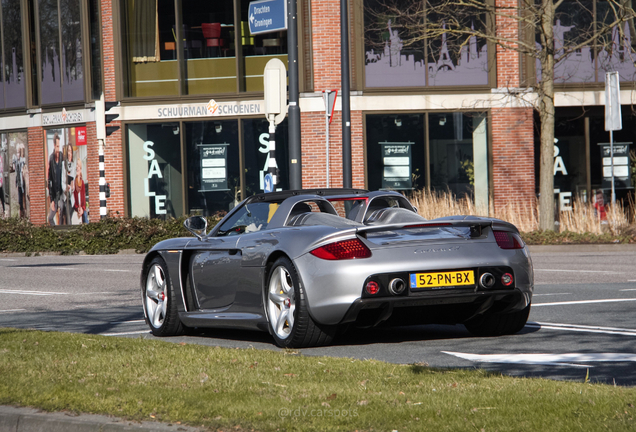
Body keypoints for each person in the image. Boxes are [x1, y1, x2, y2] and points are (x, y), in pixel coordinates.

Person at [47, 133, 64, 226]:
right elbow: (49, 180)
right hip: (55, 193)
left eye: (59, 146)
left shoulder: (62, 156)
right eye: (57, 146)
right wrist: (52, 200)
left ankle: (62, 232)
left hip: (61, 192)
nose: (58, 148)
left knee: (62, 212)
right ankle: (56, 233)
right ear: (54, 145)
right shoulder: (51, 158)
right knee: (50, 218)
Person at [62, 144, 75, 224]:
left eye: (71, 151)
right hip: (66, 196)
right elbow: (62, 181)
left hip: (73, 197)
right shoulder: (63, 164)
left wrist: (73, 186)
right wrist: (66, 187)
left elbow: (76, 179)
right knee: (68, 217)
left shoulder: (74, 165)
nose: (70, 153)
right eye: (68, 151)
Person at [73, 159, 88, 224]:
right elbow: (73, 199)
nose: (77, 167)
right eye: (76, 165)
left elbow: (83, 198)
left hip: (81, 208)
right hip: (76, 208)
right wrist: (77, 208)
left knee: (85, 215)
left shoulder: (82, 183)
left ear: (80, 169)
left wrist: (82, 208)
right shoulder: (73, 182)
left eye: (78, 166)